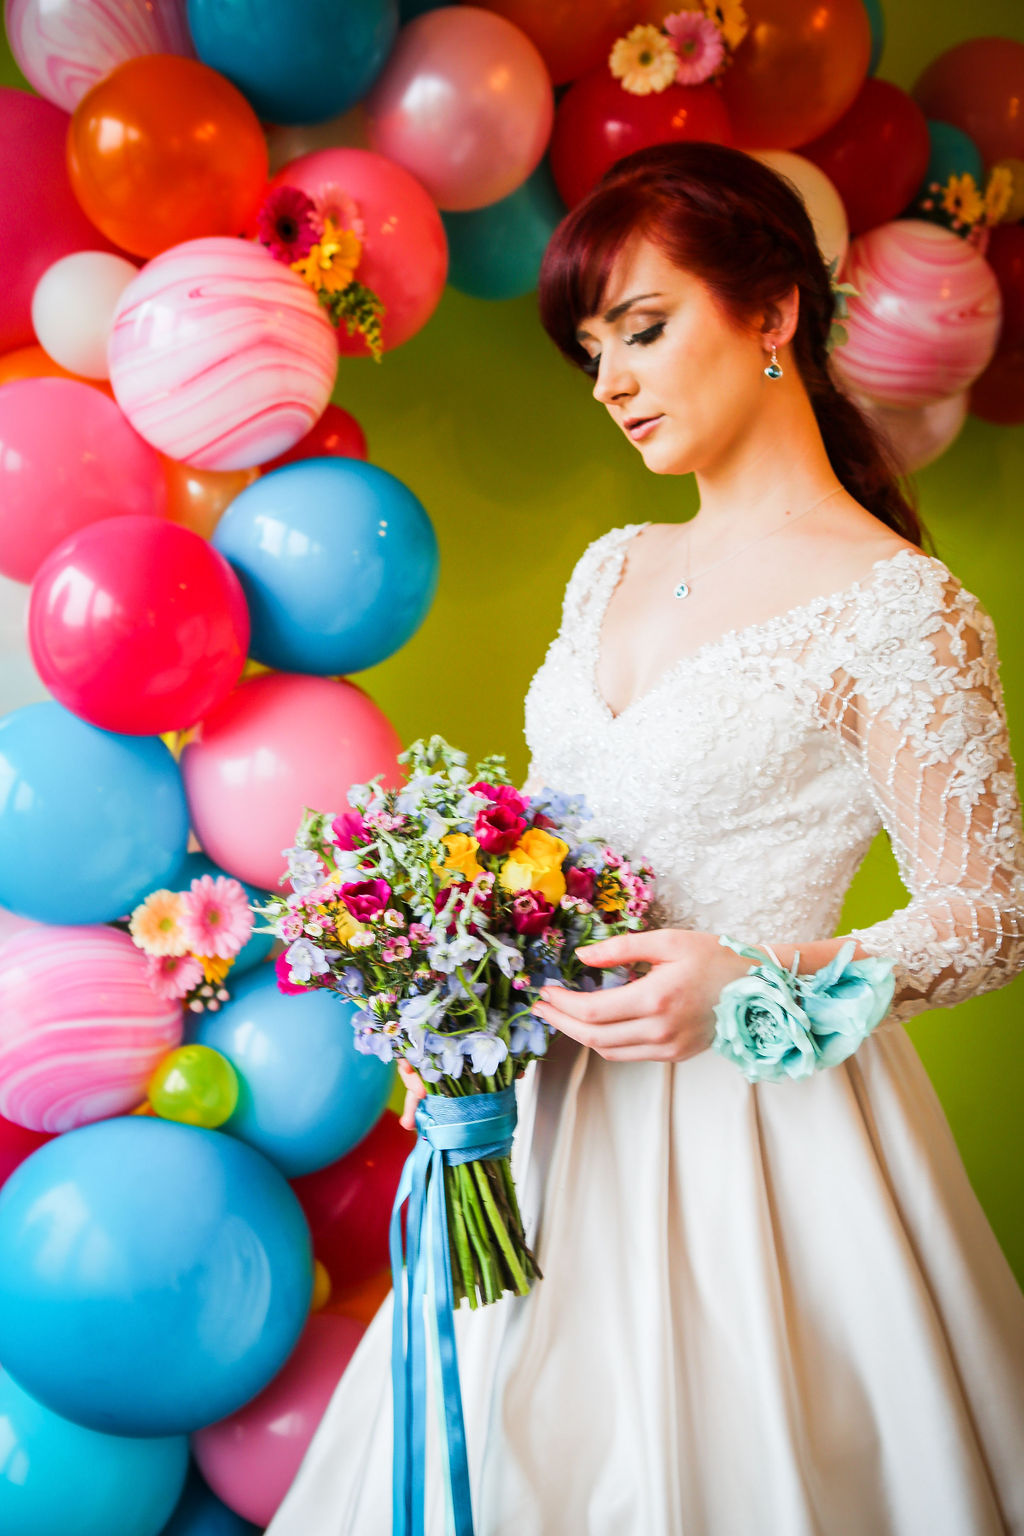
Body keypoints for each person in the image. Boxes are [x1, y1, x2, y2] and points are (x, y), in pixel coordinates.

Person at [266, 142, 1024, 1535]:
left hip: (762, 1143)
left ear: (775, 314)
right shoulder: (608, 567)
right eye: (591, 348)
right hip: (542, 1123)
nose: (610, 380)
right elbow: (558, 837)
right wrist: (460, 955)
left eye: (645, 329)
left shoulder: (901, 610)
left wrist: (751, 982)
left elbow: (990, 912)